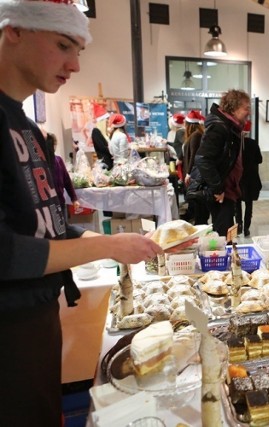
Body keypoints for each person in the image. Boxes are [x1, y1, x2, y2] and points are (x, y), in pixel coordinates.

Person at [0, 2, 164, 425]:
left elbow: (47, 228)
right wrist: (107, 244)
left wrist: (110, 245)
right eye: (61, 45)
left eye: (79, 51)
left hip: (38, 317)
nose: (74, 64)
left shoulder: (28, 129)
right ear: (13, 31)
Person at [189, 89, 251, 240]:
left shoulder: (230, 127)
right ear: (234, 108)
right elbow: (203, 158)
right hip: (218, 193)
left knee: (226, 237)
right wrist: (218, 188)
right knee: (224, 239)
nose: (249, 112)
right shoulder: (220, 127)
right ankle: (221, 262)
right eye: (246, 108)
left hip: (225, 191)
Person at [235, 121, 262, 237]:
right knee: (248, 204)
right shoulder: (253, 143)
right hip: (251, 178)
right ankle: (246, 228)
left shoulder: (235, 143)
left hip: (237, 178)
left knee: (237, 203)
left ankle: (239, 225)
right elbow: (259, 159)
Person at [181, 110, 208, 224]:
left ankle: (199, 224)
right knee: (195, 201)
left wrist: (188, 173)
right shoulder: (194, 135)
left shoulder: (196, 135)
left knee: (197, 202)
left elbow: (193, 155)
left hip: (194, 174)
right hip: (193, 173)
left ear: (188, 124)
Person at [46, 132, 80, 216]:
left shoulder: (58, 160)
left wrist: (74, 198)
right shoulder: (40, 163)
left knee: (64, 227)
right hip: (46, 206)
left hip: (60, 202)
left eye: (53, 144)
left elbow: (67, 181)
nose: (52, 147)